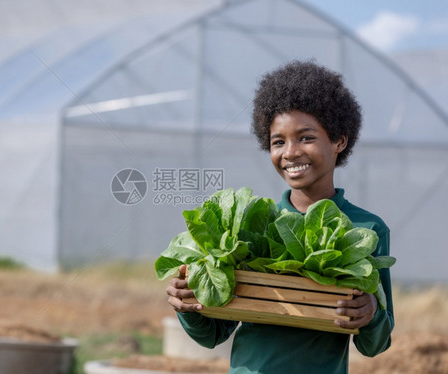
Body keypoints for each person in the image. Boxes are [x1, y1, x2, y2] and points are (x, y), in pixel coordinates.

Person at [165, 60, 394, 373]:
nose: (290, 152)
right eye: (278, 141)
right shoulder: (249, 226)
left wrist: (371, 313)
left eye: (306, 137)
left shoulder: (366, 229)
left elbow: (374, 345)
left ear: (339, 140)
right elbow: (213, 335)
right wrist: (189, 305)